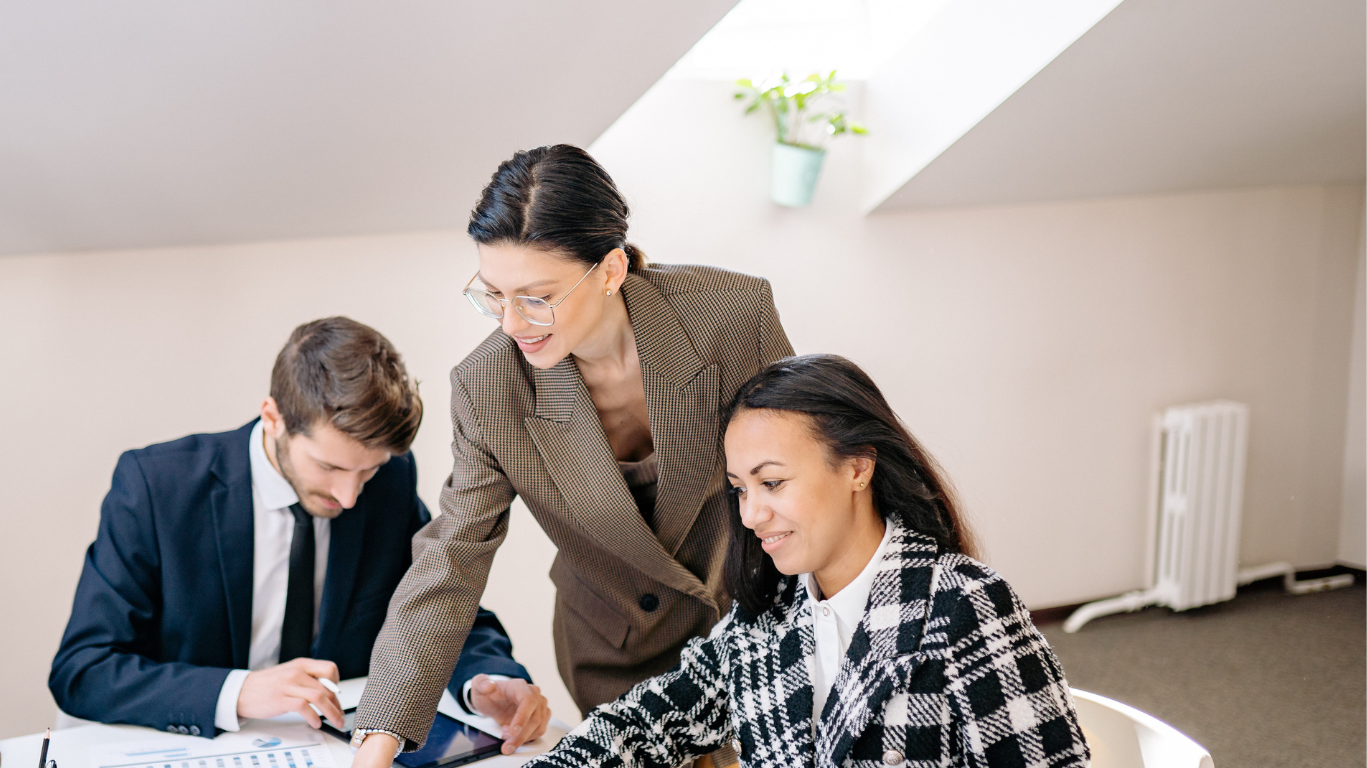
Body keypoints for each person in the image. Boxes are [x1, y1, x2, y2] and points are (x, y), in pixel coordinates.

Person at [349, 145, 794, 763]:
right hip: (615, 648)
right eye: (493, 295)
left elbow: (797, 476)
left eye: (536, 297)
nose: (511, 323)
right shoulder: (488, 388)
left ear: (611, 269)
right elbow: (451, 557)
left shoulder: (730, 316)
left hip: (748, 621)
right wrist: (378, 739)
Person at [519, 354, 1091, 768]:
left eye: (772, 482)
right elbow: (642, 724)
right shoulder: (763, 621)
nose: (751, 514)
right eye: (740, 489)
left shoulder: (965, 605)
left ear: (858, 469)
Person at [50, 317, 550, 753]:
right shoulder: (157, 487)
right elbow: (83, 670)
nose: (350, 496)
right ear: (273, 417)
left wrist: (489, 680)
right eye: (329, 466)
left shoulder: (390, 484)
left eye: (368, 471)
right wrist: (239, 692)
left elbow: (442, 607)